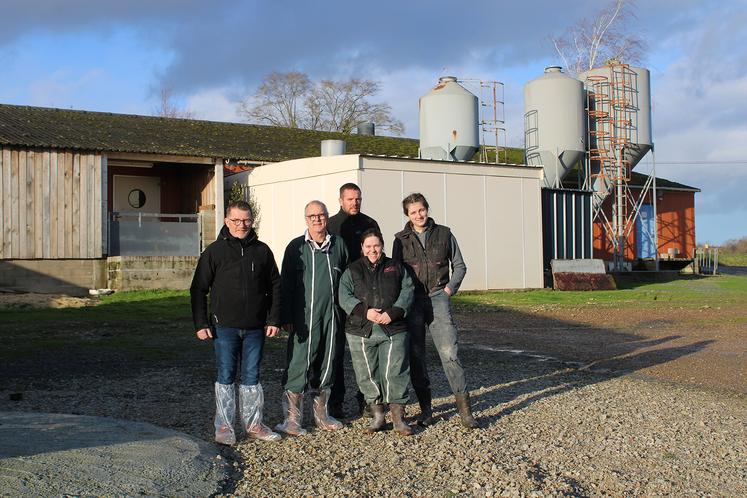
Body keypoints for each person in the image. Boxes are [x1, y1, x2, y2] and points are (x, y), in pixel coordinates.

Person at [190, 200, 281, 445]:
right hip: (224, 328)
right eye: (236, 221)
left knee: (252, 377)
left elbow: (275, 286)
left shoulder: (262, 251)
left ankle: (253, 425)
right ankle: (224, 427)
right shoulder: (215, 252)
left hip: (255, 328)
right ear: (226, 221)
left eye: (247, 221)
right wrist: (201, 323)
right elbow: (198, 289)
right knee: (226, 376)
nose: (242, 225)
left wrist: (274, 318)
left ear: (252, 221)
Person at [392, 193, 479, 429]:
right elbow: (397, 274)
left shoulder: (445, 233)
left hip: (439, 298)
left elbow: (459, 265)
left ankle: (465, 411)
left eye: (421, 210)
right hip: (413, 302)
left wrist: (450, 289)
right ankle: (426, 410)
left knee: (450, 352)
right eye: (413, 212)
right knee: (416, 357)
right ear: (407, 215)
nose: (419, 215)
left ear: (427, 209)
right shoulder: (400, 240)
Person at [276, 200, 348, 435]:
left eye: (321, 215)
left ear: (327, 217)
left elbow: (348, 281)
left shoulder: (338, 245)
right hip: (304, 317)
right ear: (306, 220)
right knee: (299, 363)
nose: (317, 219)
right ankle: (292, 419)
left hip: (332, 315)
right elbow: (285, 284)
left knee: (327, 364)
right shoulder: (296, 247)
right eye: (312, 216)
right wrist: (286, 315)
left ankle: (321, 415)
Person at [338, 229, 415, 436]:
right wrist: (366, 312)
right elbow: (343, 295)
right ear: (362, 248)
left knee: (395, 371)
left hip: (393, 328)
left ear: (382, 246)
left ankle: (399, 418)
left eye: (376, 246)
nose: (373, 250)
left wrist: (394, 312)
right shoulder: (352, 270)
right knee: (366, 372)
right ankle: (378, 415)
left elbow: (408, 290)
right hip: (361, 330)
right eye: (368, 246)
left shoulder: (397, 267)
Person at [327, 183, 381, 418]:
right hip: (339, 295)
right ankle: (335, 401)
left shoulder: (370, 224)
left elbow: (377, 254)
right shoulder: (331, 225)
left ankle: (367, 399)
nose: (354, 203)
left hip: (366, 296)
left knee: (366, 350)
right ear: (340, 200)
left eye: (357, 199)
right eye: (349, 199)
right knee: (336, 351)